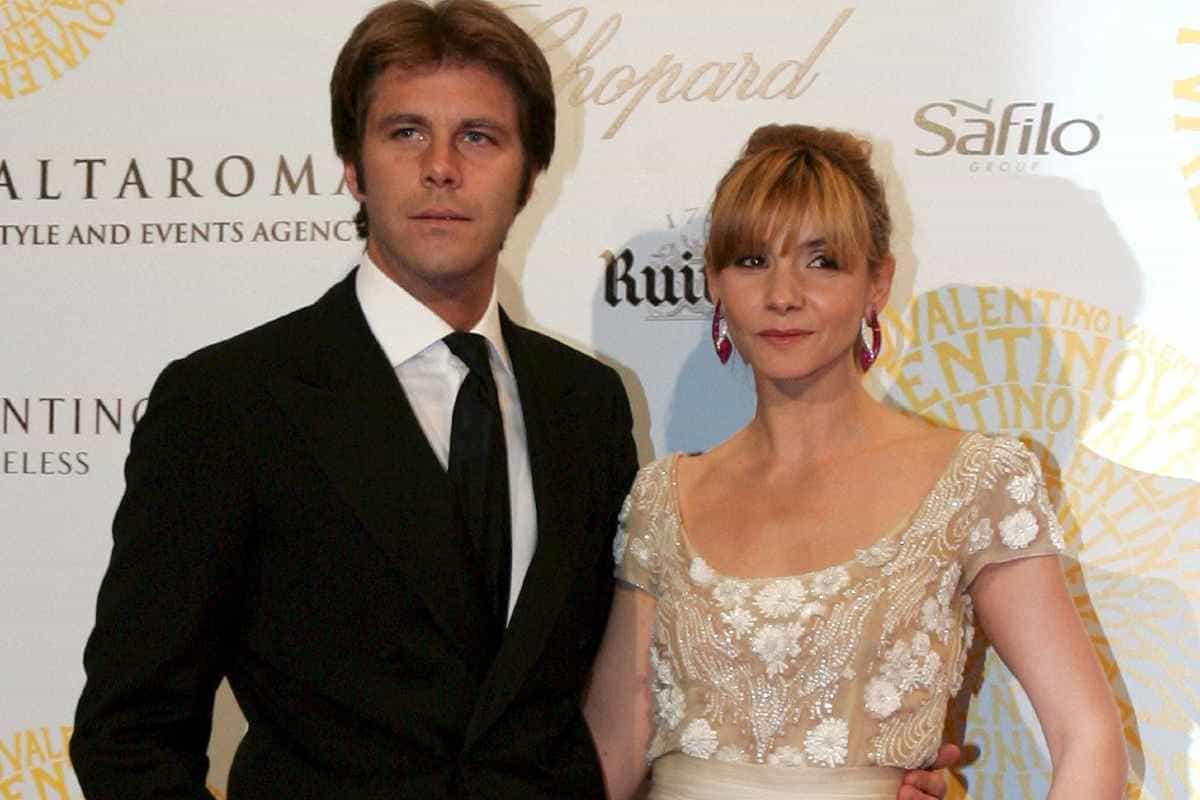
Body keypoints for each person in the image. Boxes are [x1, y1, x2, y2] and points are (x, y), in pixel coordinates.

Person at [71, 2, 956, 797]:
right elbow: (130, 734)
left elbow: (646, 690)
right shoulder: (229, 403)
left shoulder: (586, 405)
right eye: (405, 133)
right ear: (353, 167)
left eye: (479, 138)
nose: (441, 168)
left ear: (529, 173)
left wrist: (847, 770)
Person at [584, 124, 1127, 799]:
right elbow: (610, 750)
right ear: (714, 282)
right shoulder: (661, 498)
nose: (783, 294)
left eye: (822, 262)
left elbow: (1087, 737)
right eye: (752, 260)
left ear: (878, 282)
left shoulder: (975, 481)